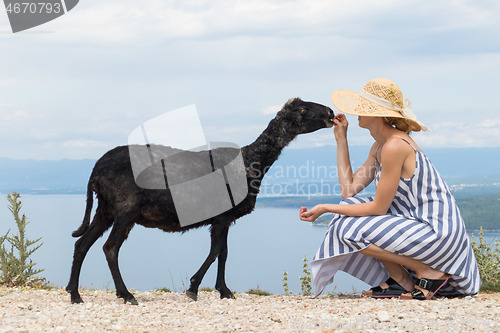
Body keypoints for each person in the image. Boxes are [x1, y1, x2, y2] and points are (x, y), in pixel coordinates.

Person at [299, 78, 481, 300]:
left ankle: (425, 271)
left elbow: (378, 208)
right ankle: (402, 280)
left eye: (362, 108)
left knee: (346, 227)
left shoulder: (395, 146)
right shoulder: (381, 146)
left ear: (377, 114)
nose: (357, 112)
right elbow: (349, 190)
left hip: (437, 233)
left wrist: (326, 208)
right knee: (347, 210)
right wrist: (341, 139)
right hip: (422, 230)